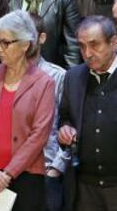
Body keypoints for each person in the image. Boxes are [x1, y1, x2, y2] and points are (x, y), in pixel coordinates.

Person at [0, 10, 55, 211]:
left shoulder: (44, 83)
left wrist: (8, 174)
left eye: (5, 43)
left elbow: (39, 135)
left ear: (25, 45)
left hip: (25, 178)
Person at [58, 15, 117, 211]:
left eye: (94, 45)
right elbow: (64, 117)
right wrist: (65, 129)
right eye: (82, 46)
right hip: (84, 188)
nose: (87, 53)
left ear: (114, 42)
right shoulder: (73, 77)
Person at [30, 14, 69, 211]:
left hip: (46, 170)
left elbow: (71, 123)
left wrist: (56, 168)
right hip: (6, 172)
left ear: (41, 38)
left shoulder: (58, 76)